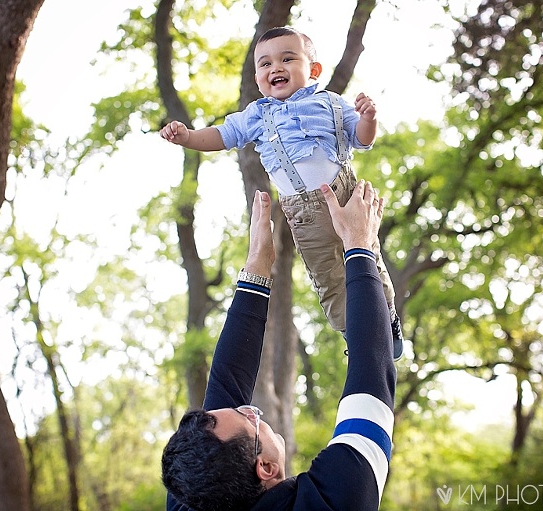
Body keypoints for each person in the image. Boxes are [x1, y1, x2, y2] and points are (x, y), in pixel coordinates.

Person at [159, 26, 404, 360]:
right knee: (328, 277)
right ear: (258, 77)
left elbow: (362, 138)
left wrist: (368, 118)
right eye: (265, 64)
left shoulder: (329, 102)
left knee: (369, 257)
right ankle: (356, 334)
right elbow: (221, 135)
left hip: (345, 195)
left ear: (313, 70)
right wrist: (187, 137)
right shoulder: (255, 116)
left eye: (288, 59)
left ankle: (386, 317)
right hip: (304, 212)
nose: (276, 68)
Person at [161, 181, 396, 511]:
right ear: (265, 467)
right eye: (250, 417)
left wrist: (257, 265)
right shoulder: (339, 499)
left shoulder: (198, 492)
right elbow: (373, 370)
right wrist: (359, 244)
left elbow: (226, 384)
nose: (245, 406)